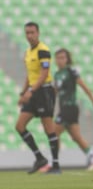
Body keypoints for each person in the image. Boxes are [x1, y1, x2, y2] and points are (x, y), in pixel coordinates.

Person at [16, 22, 60, 174]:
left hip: (44, 91)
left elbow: (43, 73)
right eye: (27, 33)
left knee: (48, 128)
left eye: (32, 32)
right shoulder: (28, 52)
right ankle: (40, 158)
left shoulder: (43, 50)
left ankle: (56, 165)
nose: (29, 36)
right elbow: (30, 75)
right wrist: (23, 93)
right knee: (19, 126)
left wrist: (31, 91)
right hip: (33, 93)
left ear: (38, 33)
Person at [52, 48, 93, 171]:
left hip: (70, 107)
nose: (60, 60)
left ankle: (55, 162)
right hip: (64, 108)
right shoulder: (57, 74)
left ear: (67, 59)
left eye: (63, 58)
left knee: (54, 132)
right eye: (58, 58)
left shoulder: (71, 71)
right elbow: (55, 92)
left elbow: (84, 86)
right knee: (76, 137)